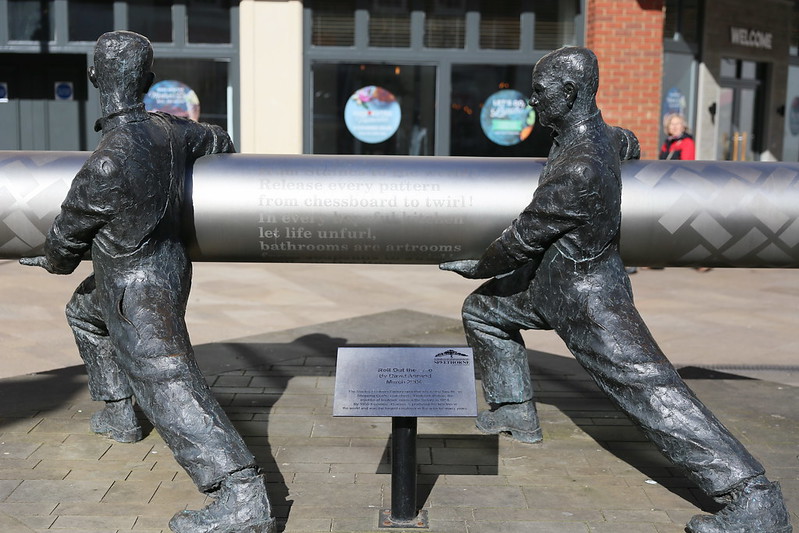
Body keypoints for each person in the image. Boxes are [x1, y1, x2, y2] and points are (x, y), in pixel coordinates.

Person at [440, 47, 791, 533]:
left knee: (651, 389)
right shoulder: (598, 136)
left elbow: (521, 239)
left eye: (541, 93)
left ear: (571, 93)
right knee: (484, 313)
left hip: (588, 299)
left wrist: (477, 265)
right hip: (551, 286)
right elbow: (630, 143)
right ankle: (515, 410)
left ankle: (753, 498)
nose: (533, 103)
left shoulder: (578, 168)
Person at [20, 31, 275, 533]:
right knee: (84, 313)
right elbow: (220, 139)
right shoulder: (172, 131)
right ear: (150, 81)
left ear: (93, 78)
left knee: (166, 379)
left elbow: (65, 245)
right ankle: (118, 412)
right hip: (168, 269)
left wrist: (46, 261)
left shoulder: (105, 163)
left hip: (133, 290)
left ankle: (242, 496)